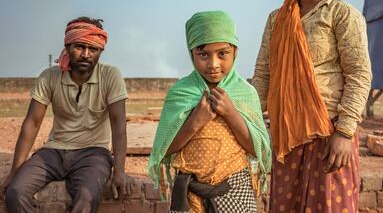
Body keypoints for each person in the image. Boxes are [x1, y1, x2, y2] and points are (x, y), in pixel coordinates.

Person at [252, 0, 372, 212]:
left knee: (328, 205)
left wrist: (344, 131)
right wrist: (255, 127)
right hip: (286, 133)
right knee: (286, 204)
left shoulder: (343, 14)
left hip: (329, 130)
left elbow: (359, 74)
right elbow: (263, 73)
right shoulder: (277, 18)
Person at [0, 17, 135, 213]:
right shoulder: (50, 77)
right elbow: (32, 122)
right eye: (79, 47)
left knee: (86, 198)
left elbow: (118, 124)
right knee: (15, 192)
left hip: (94, 153)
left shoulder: (110, 75)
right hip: (53, 151)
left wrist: (119, 171)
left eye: (93, 49)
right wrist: (14, 171)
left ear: (101, 51)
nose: (86, 55)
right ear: (67, 46)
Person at [147, 11, 271, 212]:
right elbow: (164, 149)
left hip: (236, 191)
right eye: (203, 54)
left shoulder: (245, 93)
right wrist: (195, 121)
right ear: (191, 53)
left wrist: (231, 113)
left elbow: (258, 149)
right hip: (190, 195)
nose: (213, 64)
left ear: (235, 52)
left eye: (222, 53)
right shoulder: (180, 93)